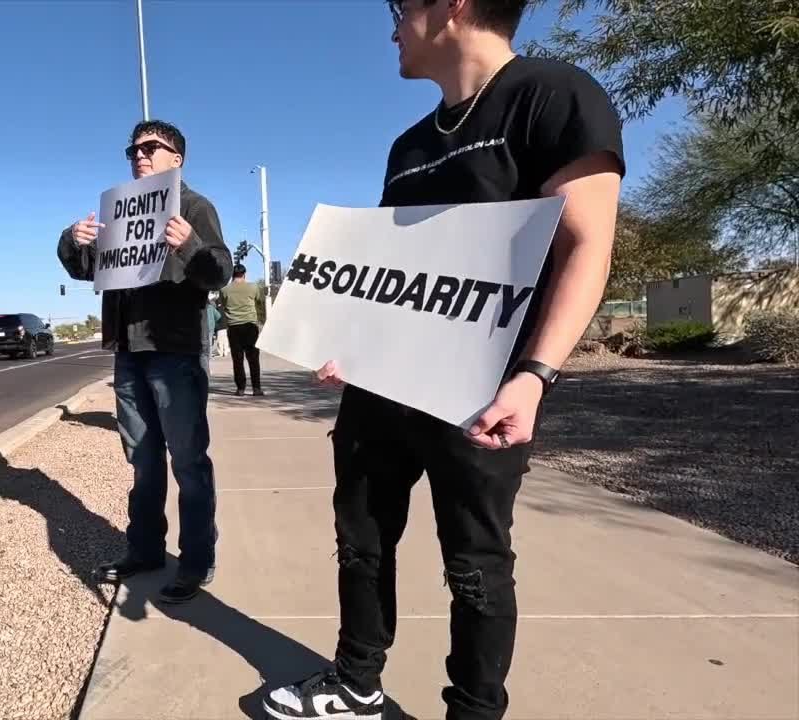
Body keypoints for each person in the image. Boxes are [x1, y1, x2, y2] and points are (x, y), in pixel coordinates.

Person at [264, 1, 624, 718]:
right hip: (380, 388)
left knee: (475, 567)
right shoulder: (409, 146)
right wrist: (343, 343)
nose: (392, 27)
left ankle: (474, 709)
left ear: (452, 7)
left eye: (400, 9)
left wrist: (535, 375)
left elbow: (587, 245)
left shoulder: (553, 95)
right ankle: (357, 681)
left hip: (482, 391)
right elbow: (389, 276)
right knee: (360, 540)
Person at [57, 119, 233, 604]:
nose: (140, 155)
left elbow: (220, 271)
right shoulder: (119, 213)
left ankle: (196, 560)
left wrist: (191, 245)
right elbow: (83, 269)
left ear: (177, 158)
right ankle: (145, 549)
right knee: (142, 462)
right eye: (133, 149)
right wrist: (75, 239)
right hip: (129, 354)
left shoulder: (195, 207)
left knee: (189, 462)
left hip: (175, 353)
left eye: (151, 148)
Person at [219, 263, 266, 397]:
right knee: (253, 359)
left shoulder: (224, 290)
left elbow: (223, 304)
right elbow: (259, 300)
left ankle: (240, 388)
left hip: (234, 327)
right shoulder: (253, 287)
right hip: (250, 327)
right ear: (244, 274)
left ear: (232, 275)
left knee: (237, 360)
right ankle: (256, 388)